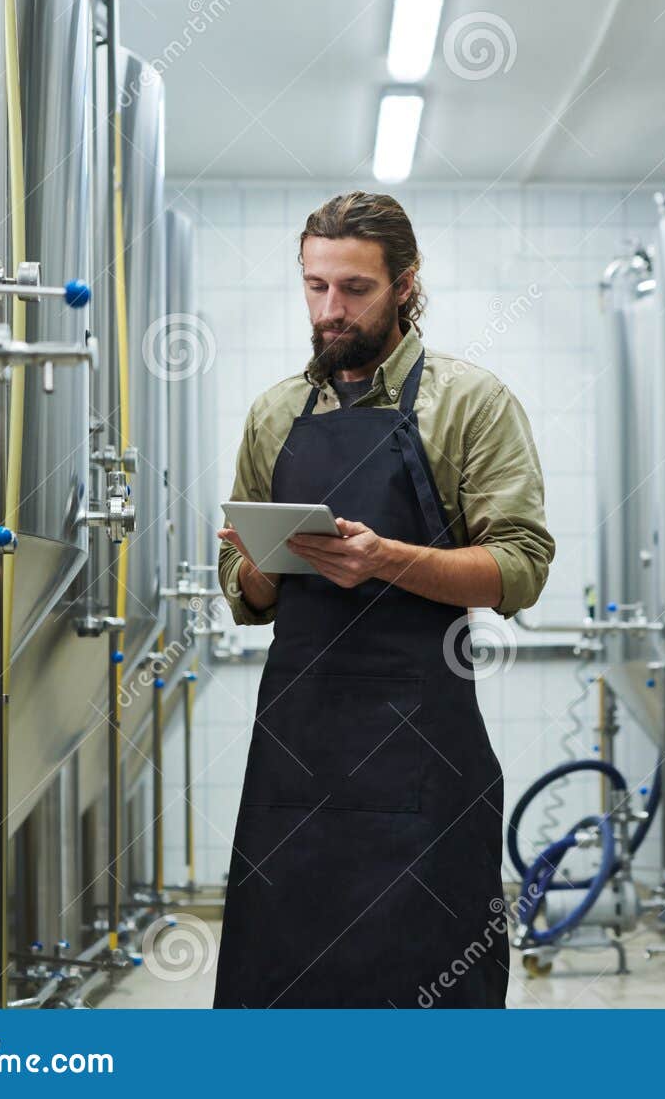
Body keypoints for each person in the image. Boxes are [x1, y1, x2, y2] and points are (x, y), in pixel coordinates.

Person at [211, 191, 554, 1007]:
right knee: (285, 991)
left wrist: (387, 559)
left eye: (355, 289)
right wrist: (257, 565)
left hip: (423, 759)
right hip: (296, 755)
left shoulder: (470, 402)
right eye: (315, 286)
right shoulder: (274, 415)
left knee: (431, 989)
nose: (332, 310)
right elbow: (246, 595)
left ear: (405, 284)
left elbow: (522, 565)